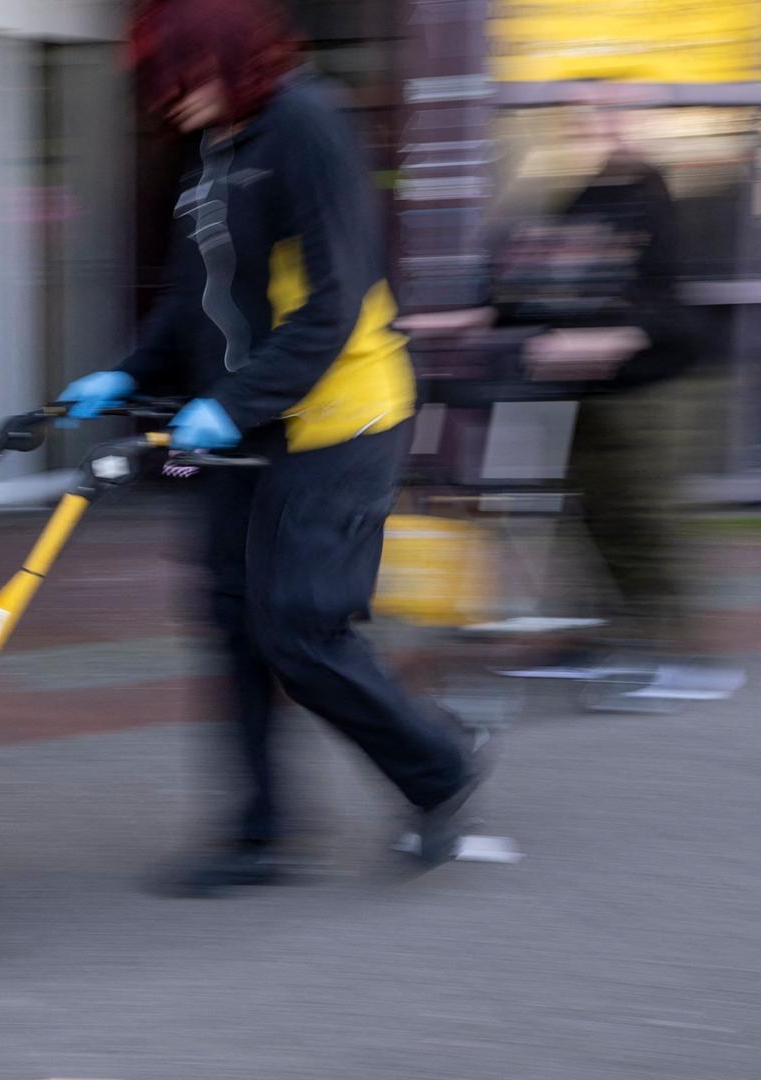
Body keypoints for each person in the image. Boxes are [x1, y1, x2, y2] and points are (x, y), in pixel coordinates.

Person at [59, 0, 479, 893]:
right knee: (231, 618)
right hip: (243, 427)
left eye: (184, 81)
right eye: (159, 90)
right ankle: (258, 835)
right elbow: (189, 297)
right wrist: (126, 374)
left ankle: (438, 765)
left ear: (229, 58)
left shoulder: (307, 125)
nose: (173, 103)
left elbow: (333, 305)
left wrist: (230, 404)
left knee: (299, 626)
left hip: (339, 419)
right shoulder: (211, 146)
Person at [403, 83, 743, 707]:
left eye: (613, 111)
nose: (598, 124)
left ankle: (681, 657)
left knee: (644, 522)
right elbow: (541, 282)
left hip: (654, 382)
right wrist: (471, 318)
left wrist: (618, 336)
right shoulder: (584, 195)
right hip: (588, 383)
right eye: (587, 113)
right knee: (592, 518)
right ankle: (610, 640)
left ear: (642, 121)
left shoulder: (665, 193)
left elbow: (669, 293)